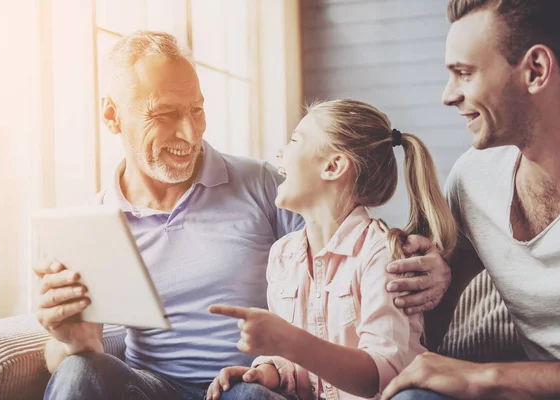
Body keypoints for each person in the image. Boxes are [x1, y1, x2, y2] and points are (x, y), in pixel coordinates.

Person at [32, 31, 447, 400]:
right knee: (78, 370)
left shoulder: (264, 186)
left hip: (247, 384)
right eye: (165, 114)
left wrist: (433, 264)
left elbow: (344, 247)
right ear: (111, 115)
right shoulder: (94, 224)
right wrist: (72, 342)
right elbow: (71, 359)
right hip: (150, 385)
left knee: (248, 393)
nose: (190, 133)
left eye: (196, 109)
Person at [381, 1, 560, 399]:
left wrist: (485, 376)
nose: (448, 96)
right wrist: (439, 274)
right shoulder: (474, 178)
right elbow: (436, 299)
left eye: (464, 73)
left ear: (536, 70)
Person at [206, 99, 457, 400]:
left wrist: (288, 339)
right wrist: (266, 373)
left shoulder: (381, 254)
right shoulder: (283, 256)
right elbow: (298, 368)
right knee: (243, 393)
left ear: (333, 166)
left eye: (295, 140)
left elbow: (379, 377)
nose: (280, 152)